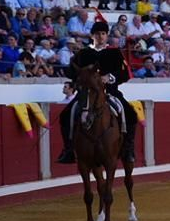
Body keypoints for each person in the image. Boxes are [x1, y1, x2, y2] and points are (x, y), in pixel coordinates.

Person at [56, 25, 136, 164]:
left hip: (110, 92)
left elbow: (125, 73)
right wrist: (79, 76)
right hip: (86, 93)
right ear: (92, 36)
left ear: (106, 36)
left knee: (130, 114)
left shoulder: (115, 53)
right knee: (65, 116)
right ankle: (68, 150)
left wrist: (109, 77)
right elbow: (71, 72)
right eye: (97, 34)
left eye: (103, 33)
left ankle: (127, 150)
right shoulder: (83, 53)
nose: (100, 36)